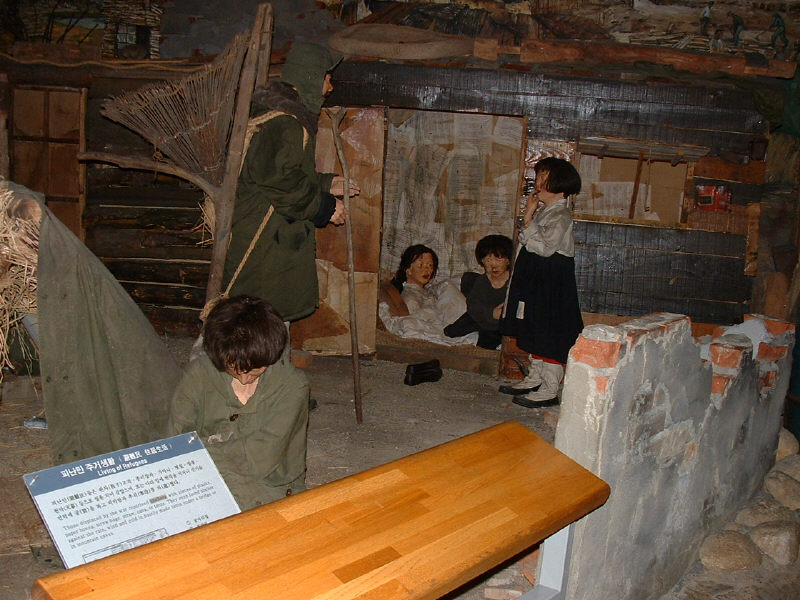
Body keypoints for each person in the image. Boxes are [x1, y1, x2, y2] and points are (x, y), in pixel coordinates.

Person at [222, 41, 360, 324]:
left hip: (271, 232)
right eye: (327, 78)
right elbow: (277, 178)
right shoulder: (284, 122)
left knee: (265, 315)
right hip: (262, 237)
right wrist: (323, 206)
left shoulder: (282, 116)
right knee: (254, 318)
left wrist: (326, 183)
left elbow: (277, 171)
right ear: (311, 77)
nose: (330, 87)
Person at [167, 295, 309, 511]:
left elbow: (261, 458)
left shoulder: (292, 386)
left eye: (255, 369)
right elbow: (176, 444)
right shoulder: (198, 375)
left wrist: (201, 451)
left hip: (271, 486)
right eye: (233, 368)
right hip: (205, 480)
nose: (244, 379)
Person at [500, 157, 584, 408]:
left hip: (552, 283)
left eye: (544, 178)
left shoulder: (561, 215)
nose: (538, 183)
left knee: (550, 331)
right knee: (535, 327)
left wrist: (528, 217)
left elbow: (544, 247)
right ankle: (535, 378)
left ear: (560, 186)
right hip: (538, 280)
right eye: (538, 177)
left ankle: (549, 388)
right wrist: (530, 216)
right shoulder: (546, 211)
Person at [381, 244, 473, 345]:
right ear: (408, 270)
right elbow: (411, 320)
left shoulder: (430, 292)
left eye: (430, 266)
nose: (427, 270)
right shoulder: (409, 296)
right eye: (421, 265)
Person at [444, 234, 513, 350]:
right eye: (488, 260)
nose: (493, 265)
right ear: (482, 262)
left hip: (500, 323)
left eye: (498, 259)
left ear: (508, 260)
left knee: (489, 342)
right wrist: (491, 313)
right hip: (482, 315)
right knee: (452, 331)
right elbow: (473, 306)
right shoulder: (482, 281)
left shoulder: (513, 281)